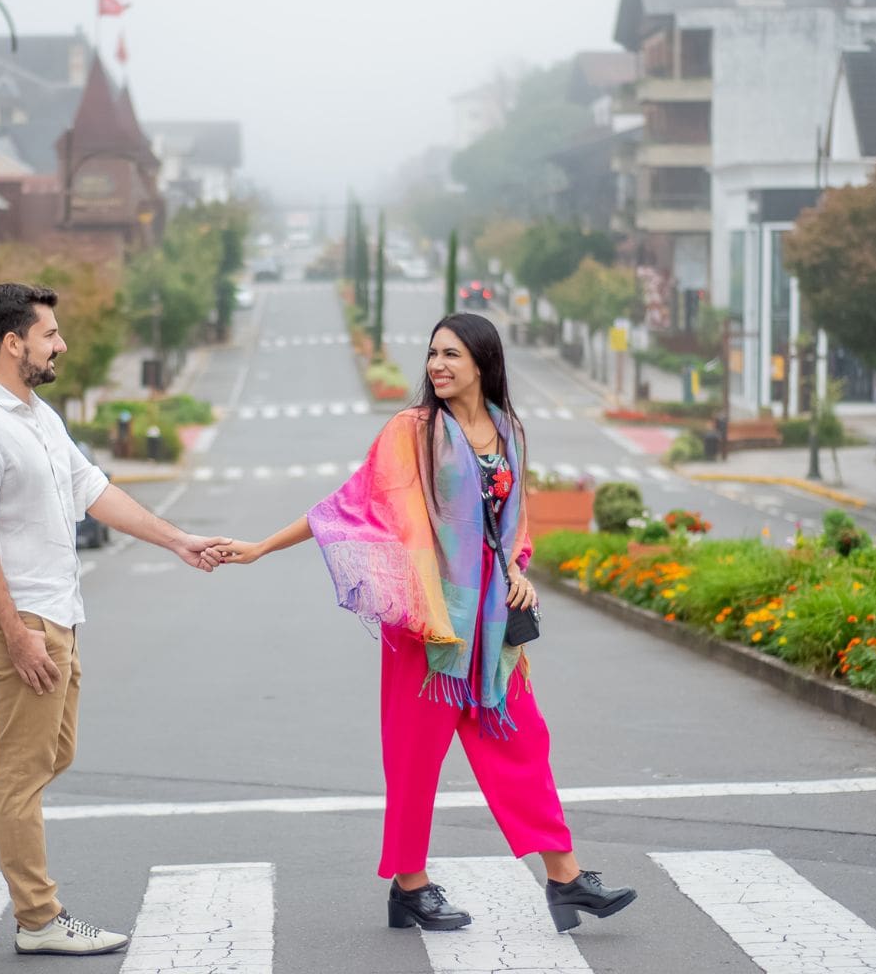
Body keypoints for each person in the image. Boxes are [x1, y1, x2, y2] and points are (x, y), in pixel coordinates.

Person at [215, 313, 636, 934]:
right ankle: (409, 886)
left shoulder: (508, 432)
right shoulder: (411, 431)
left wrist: (519, 568)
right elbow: (347, 504)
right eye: (433, 354)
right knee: (416, 758)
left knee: (524, 740)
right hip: (426, 623)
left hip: (491, 626)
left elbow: (511, 526)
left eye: (452, 355)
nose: (437, 365)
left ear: (482, 363)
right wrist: (258, 547)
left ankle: (566, 877)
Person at [0, 282, 229, 957]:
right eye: (50, 334)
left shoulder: (38, 416)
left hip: (57, 611)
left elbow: (95, 491)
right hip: (19, 617)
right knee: (22, 771)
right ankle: (37, 917)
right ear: (12, 342)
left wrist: (176, 540)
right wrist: (17, 633)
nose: (61, 344)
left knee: (52, 754)